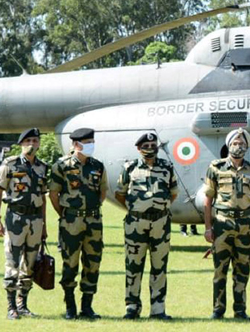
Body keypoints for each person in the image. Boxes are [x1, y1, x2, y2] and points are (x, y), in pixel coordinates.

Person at [114, 132, 178, 320]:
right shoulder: (130, 167)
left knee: (159, 267)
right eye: (146, 145)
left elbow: (173, 193)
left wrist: (158, 207)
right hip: (136, 223)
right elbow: (120, 193)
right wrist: (136, 208)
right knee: (133, 266)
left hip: (161, 223)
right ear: (138, 148)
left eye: (153, 145)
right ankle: (132, 307)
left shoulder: (167, 167)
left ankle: (158, 309)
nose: (150, 148)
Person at [49, 128, 108, 320]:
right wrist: (66, 215)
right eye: (86, 142)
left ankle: (87, 306)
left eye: (92, 141)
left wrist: (92, 210)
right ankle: (70, 306)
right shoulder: (62, 166)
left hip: (93, 221)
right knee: (70, 263)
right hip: (71, 221)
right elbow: (53, 194)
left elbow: (102, 191)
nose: (91, 145)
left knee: (93, 263)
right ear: (75, 144)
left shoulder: (98, 166)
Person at [203, 128, 250, 320]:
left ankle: (240, 310)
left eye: (242, 144)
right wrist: (208, 228)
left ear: (247, 147)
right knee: (220, 269)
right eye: (235, 143)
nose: (239, 146)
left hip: (244, 225)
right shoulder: (216, 167)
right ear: (229, 145)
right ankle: (218, 309)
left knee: (242, 270)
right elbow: (207, 200)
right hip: (222, 224)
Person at [0, 128, 48, 320]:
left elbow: (43, 197)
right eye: (28, 141)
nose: (32, 144)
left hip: (35, 220)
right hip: (15, 218)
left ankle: (22, 304)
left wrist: (44, 226)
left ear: (39, 144)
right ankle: (10, 307)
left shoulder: (42, 167)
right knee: (12, 263)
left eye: (35, 140)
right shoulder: (10, 164)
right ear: (21, 144)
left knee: (30, 264)